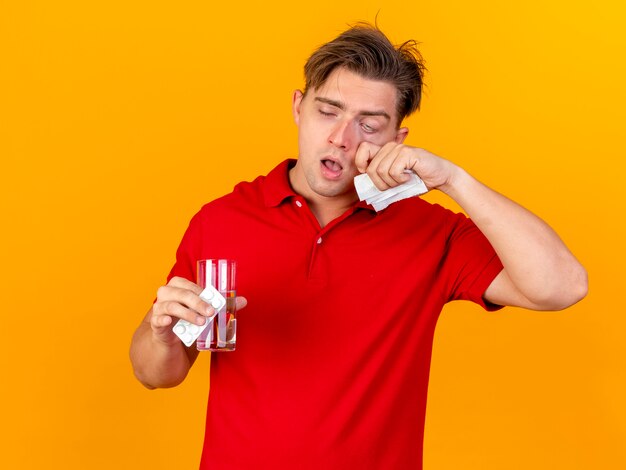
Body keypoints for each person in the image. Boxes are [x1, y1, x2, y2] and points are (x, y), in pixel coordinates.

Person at [130, 23, 587, 469]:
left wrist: (452, 179)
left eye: (368, 125)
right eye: (328, 111)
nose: (341, 138)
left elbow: (562, 286)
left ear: (396, 140)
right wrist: (160, 333)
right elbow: (156, 374)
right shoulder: (222, 220)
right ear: (298, 107)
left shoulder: (433, 233)